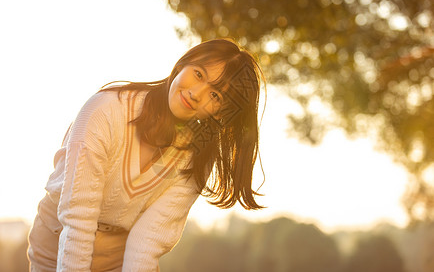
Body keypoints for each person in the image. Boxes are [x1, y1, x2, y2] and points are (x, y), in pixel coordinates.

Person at [27, 38, 266, 272]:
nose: (196, 93)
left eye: (215, 95)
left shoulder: (197, 159)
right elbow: (78, 218)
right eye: (199, 74)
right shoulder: (105, 111)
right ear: (183, 64)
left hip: (117, 256)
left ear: (221, 111)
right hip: (59, 242)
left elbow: (146, 242)